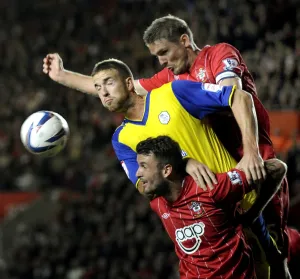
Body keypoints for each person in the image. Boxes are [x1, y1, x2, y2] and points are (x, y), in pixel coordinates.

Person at [42, 15, 292, 270]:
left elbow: (232, 97)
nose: (160, 61)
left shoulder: (215, 57)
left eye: (163, 52)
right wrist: (62, 76)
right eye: (156, 56)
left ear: (184, 41)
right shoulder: (170, 82)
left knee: (275, 253)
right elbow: (114, 86)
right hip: (216, 196)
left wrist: (192, 103)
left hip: (252, 160)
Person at [90, 58, 281, 278]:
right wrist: (182, 162)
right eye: (97, 87)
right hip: (205, 227)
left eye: (108, 83)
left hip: (245, 205)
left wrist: (251, 152)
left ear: (129, 83)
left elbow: (239, 97)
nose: (103, 92)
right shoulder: (121, 139)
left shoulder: (173, 93)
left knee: (273, 264)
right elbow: (144, 186)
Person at [135, 135, 287, 279]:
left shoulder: (211, 188)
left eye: (144, 166)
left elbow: (277, 168)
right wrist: (187, 161)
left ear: (167, 170)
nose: (137, 173)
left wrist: (253, 213)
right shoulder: (157, 202)